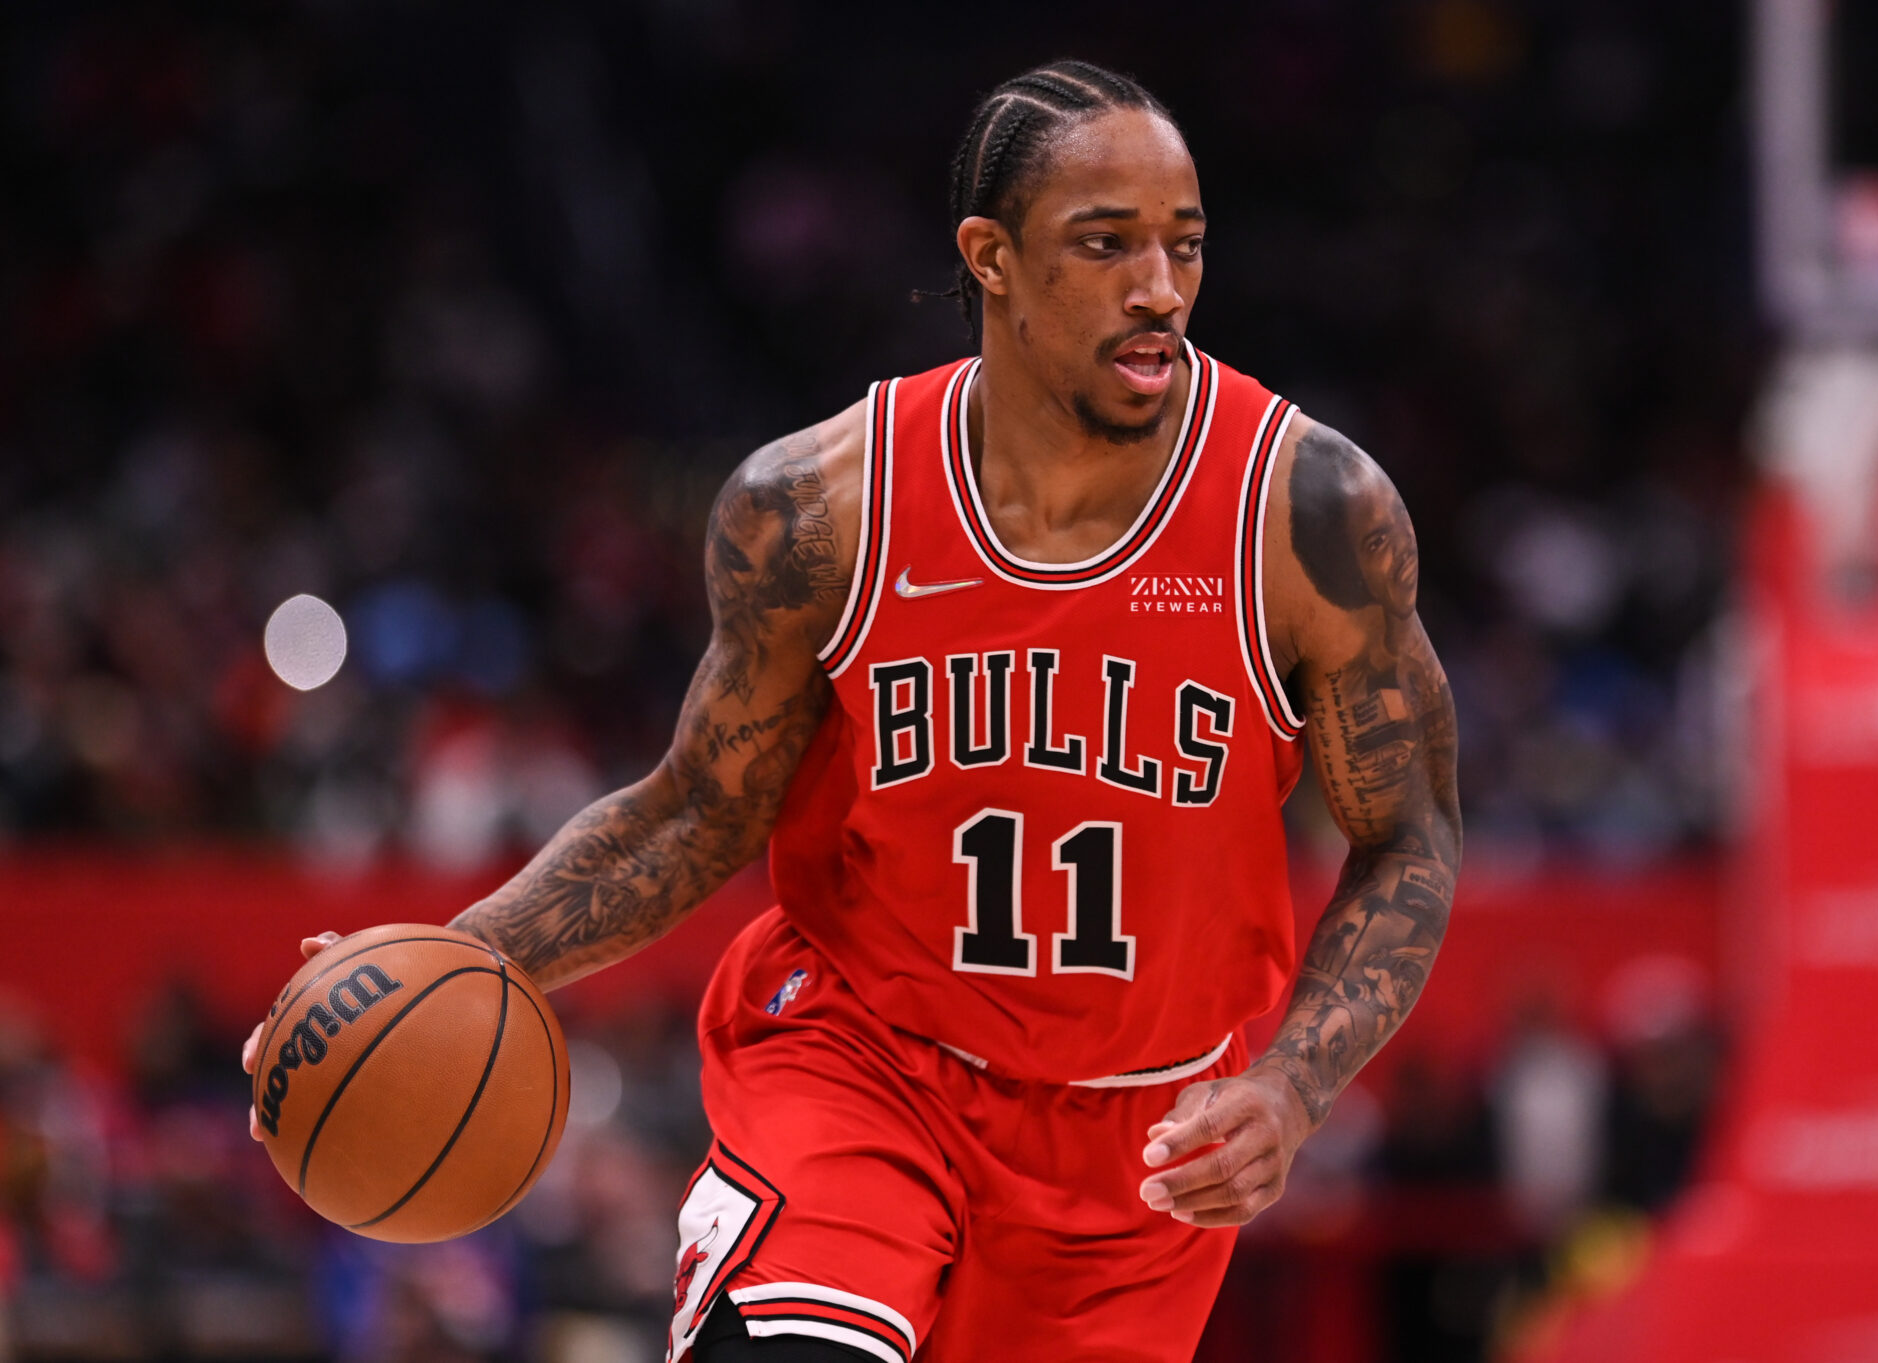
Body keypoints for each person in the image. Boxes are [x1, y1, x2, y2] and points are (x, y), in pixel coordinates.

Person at [245, 60, 1460, 1363]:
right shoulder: (823, 506)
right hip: (864, 1062)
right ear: (990, 258)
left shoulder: (1309, 517)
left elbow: (1410, 836)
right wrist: (447, 962)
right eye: (1107, 244)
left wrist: (1294, 1084)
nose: (1159, 287)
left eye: (1186, 243)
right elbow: (696, 812)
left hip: (1141, 1145)